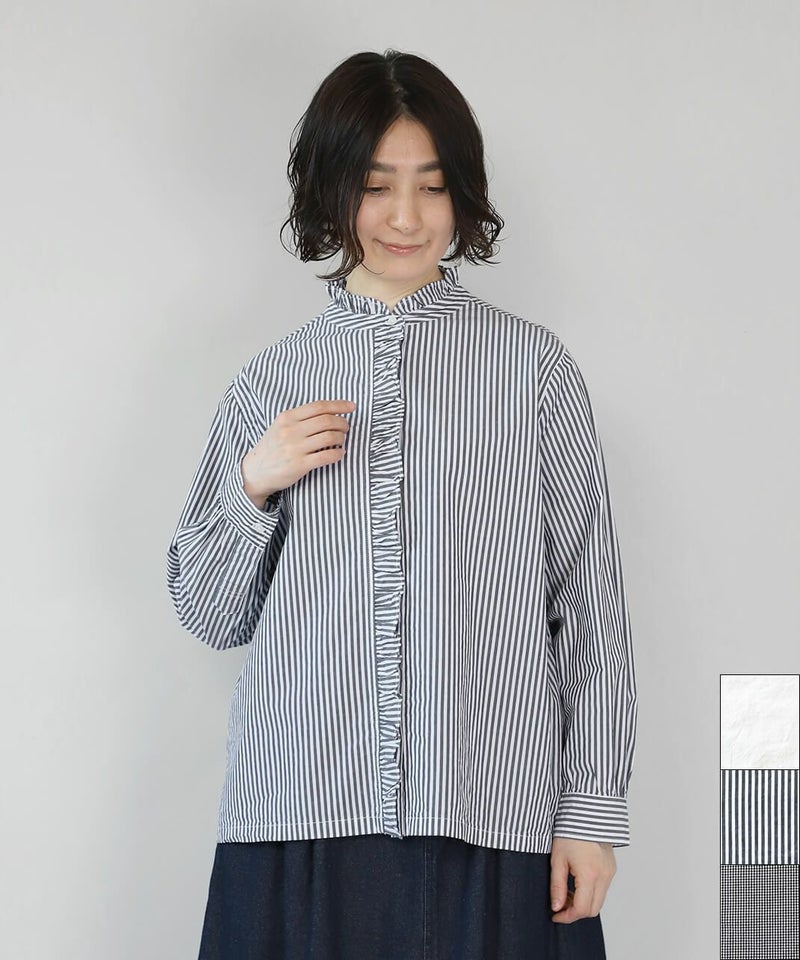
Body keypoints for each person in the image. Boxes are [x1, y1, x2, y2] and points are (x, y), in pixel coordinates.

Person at [167, 48, 637, 960]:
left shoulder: (533, 370)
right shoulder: (271, 380)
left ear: (462, 195)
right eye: (377, 186)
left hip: (490, 810)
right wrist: (252, 484)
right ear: (331, 191)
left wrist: (590, 811)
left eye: (432, 186)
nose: (406, 218)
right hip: (299, 815)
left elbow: (589, 604)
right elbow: (211, 615)